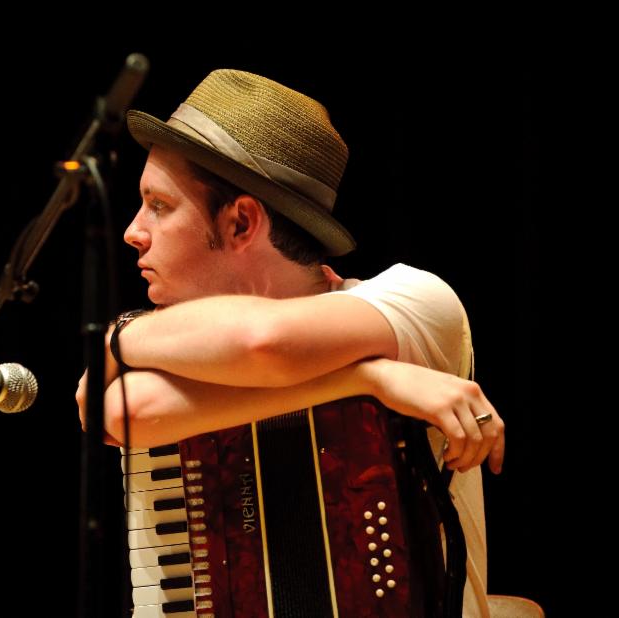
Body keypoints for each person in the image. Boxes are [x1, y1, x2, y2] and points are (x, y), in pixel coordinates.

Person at [77, 69, 505, 617]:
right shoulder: (175, 340)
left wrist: (118, 338)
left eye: (158, 205)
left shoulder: (412, 300)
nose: (133, 231)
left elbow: (264, 342)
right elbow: (113, 414)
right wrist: (366, 378)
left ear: (241, 222)